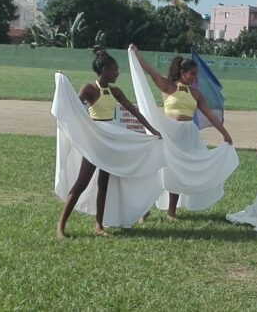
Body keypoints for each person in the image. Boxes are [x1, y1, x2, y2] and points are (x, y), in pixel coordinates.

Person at [56, 48, 162, 240]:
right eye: (115, 70)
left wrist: (152, 130)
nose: (117, 73)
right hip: (95, 140)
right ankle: (61, 225)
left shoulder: (114, 91)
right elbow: (74, 108)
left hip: (110, 141)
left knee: (104, 183)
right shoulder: (89, 89)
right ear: (105, 70)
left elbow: (133, 111)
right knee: (82, 182)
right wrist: (63, 87)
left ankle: (99, 225)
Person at [132, 44, 236, 220]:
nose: (195, 77)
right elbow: (150, 71)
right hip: (169, 133)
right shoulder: (167, 87)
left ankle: (171, 212)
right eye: (192, 74)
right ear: (182, 72)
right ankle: (144, 209)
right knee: (157, 170)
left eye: (196, 74)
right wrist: (136, 54)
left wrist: (224, 133)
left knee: (180, 171)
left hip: (187, 135)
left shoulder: (196, 94)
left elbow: (210, 115)